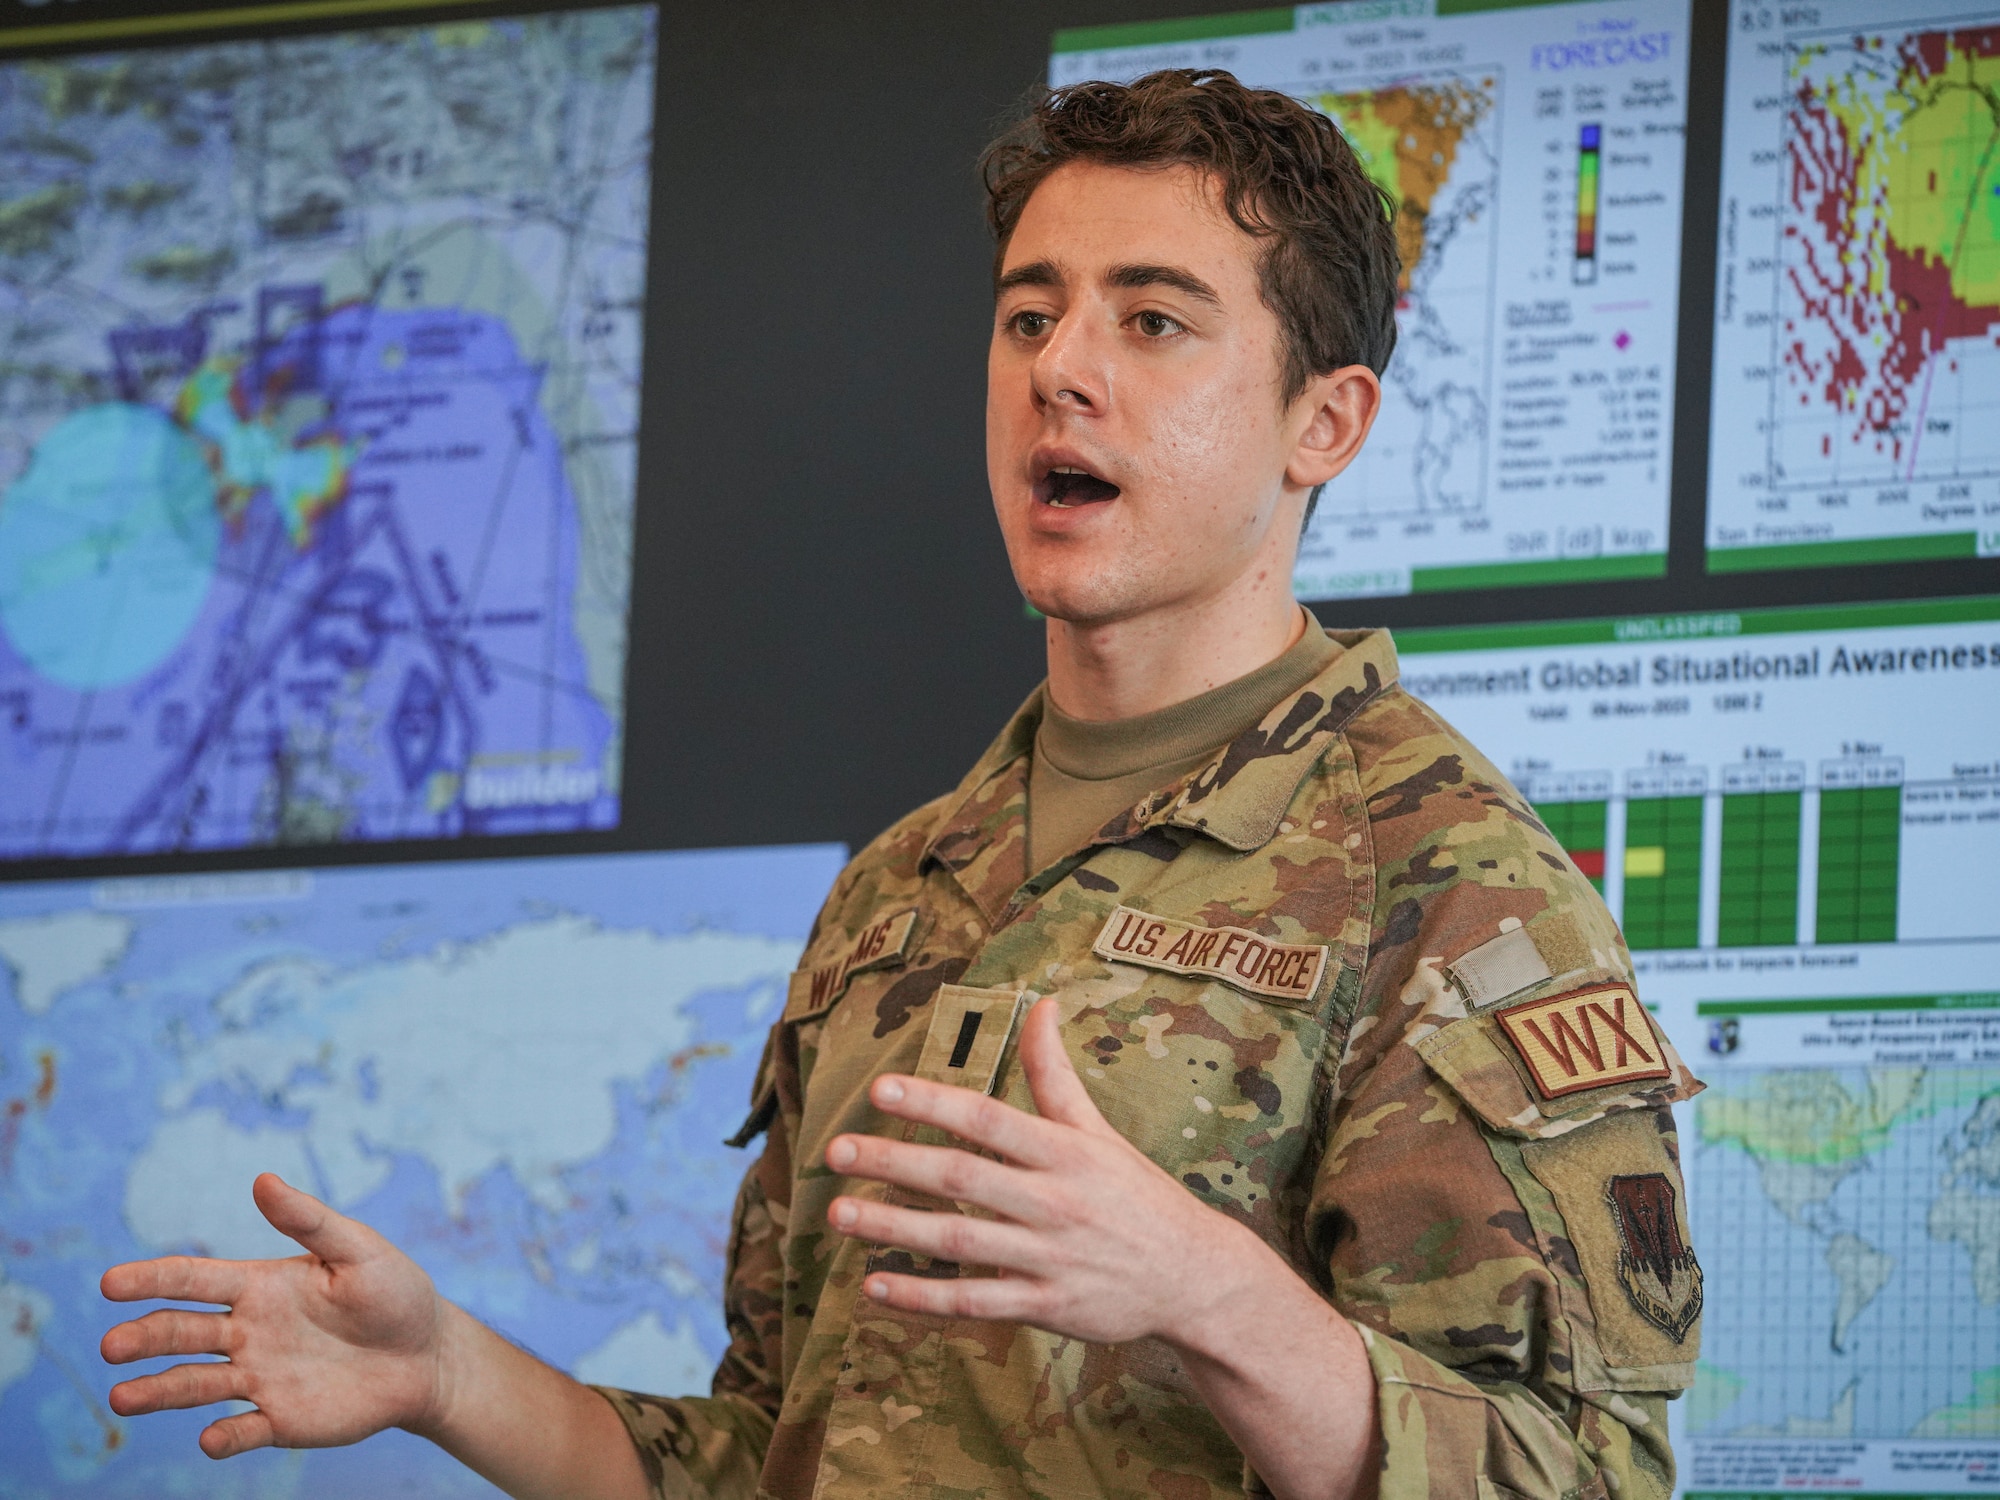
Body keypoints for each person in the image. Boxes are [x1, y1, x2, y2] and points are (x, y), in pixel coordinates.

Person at [100, 70, 1704, 1500]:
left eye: (1151, 319)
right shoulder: (903, 885)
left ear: (1323, 422)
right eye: (1028, 314)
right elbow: (781, 1453)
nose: (1061, 368)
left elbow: (1582, 1479)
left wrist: (1202, 1291)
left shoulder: (1448, 890)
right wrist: (450, 1376)